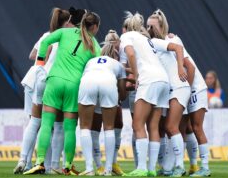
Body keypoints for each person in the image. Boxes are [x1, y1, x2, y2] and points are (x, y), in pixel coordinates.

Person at [24, 12, 101, 175]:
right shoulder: (94, 43)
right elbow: (99, 65)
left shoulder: (65, 32)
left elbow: (45, 42)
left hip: (54, 81)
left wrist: (39, 64)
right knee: (69, 129)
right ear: (94, 27)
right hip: (74, 85)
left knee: (46, 124)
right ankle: (67, 165)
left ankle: (39, 162)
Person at [120, 11, 186, 177]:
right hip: (163, 81)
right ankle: (150, 169)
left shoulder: (127, 37)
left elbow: (131, 54)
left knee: (138, 125)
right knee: (154, 126)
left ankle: (141, 168)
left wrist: (135, 75)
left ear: (126, 28)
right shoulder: (146, 40)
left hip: (148, 81)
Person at [151, 9, 211, 177]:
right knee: (181, 129)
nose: (150, 29)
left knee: (196, 127)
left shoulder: (173, 39)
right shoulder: (159, 43)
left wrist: (188, 90)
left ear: (160, 26)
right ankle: (178, 166)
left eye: (152, 25)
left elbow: (189, 67)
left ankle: (204, 167)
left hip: (194, 87)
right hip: (185, 88)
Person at [14, 7, 72, 174]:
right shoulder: (65, 38)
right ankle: (50, 165)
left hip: (33, 78)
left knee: (34, 122)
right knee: (54, 126)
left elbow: (33, 55)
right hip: (52, 80)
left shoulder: (46, 36)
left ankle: (23, 160)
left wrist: (42, 62)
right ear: (67, 23)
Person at [147, 14, 194, 177]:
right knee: (168, 128)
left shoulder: (156, 42)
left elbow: (178, 49)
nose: (149, 29)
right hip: (172, 89)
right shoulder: (154, 43)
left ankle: (180, 166)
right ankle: (168, 167)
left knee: (171, 127)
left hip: (178, 87)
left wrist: (180, 68)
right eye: (148, 26)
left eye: (152, 26)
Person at [78, 30, 127, 176]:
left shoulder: (91, 61)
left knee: (85, 127)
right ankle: (108, 169)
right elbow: (122, 95)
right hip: (108, 82)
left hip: (89, 81)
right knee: (109, 128)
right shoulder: (118, 65)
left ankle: (89, 168)